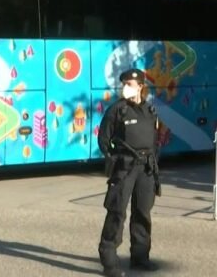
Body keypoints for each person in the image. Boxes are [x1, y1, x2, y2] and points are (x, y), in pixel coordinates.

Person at [97, 68, 162, 277]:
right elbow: (104, 141)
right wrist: (116, 160)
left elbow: (154, 141)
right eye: (124, 83)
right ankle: (109, 262)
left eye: (130, 84)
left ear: (141, 87)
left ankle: (140, 258)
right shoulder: (117, 110)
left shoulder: (149, 110)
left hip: (146, 169)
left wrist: (153, 163)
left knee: (143, 212)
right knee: (116, 212)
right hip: (125, 168)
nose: (125, 87)